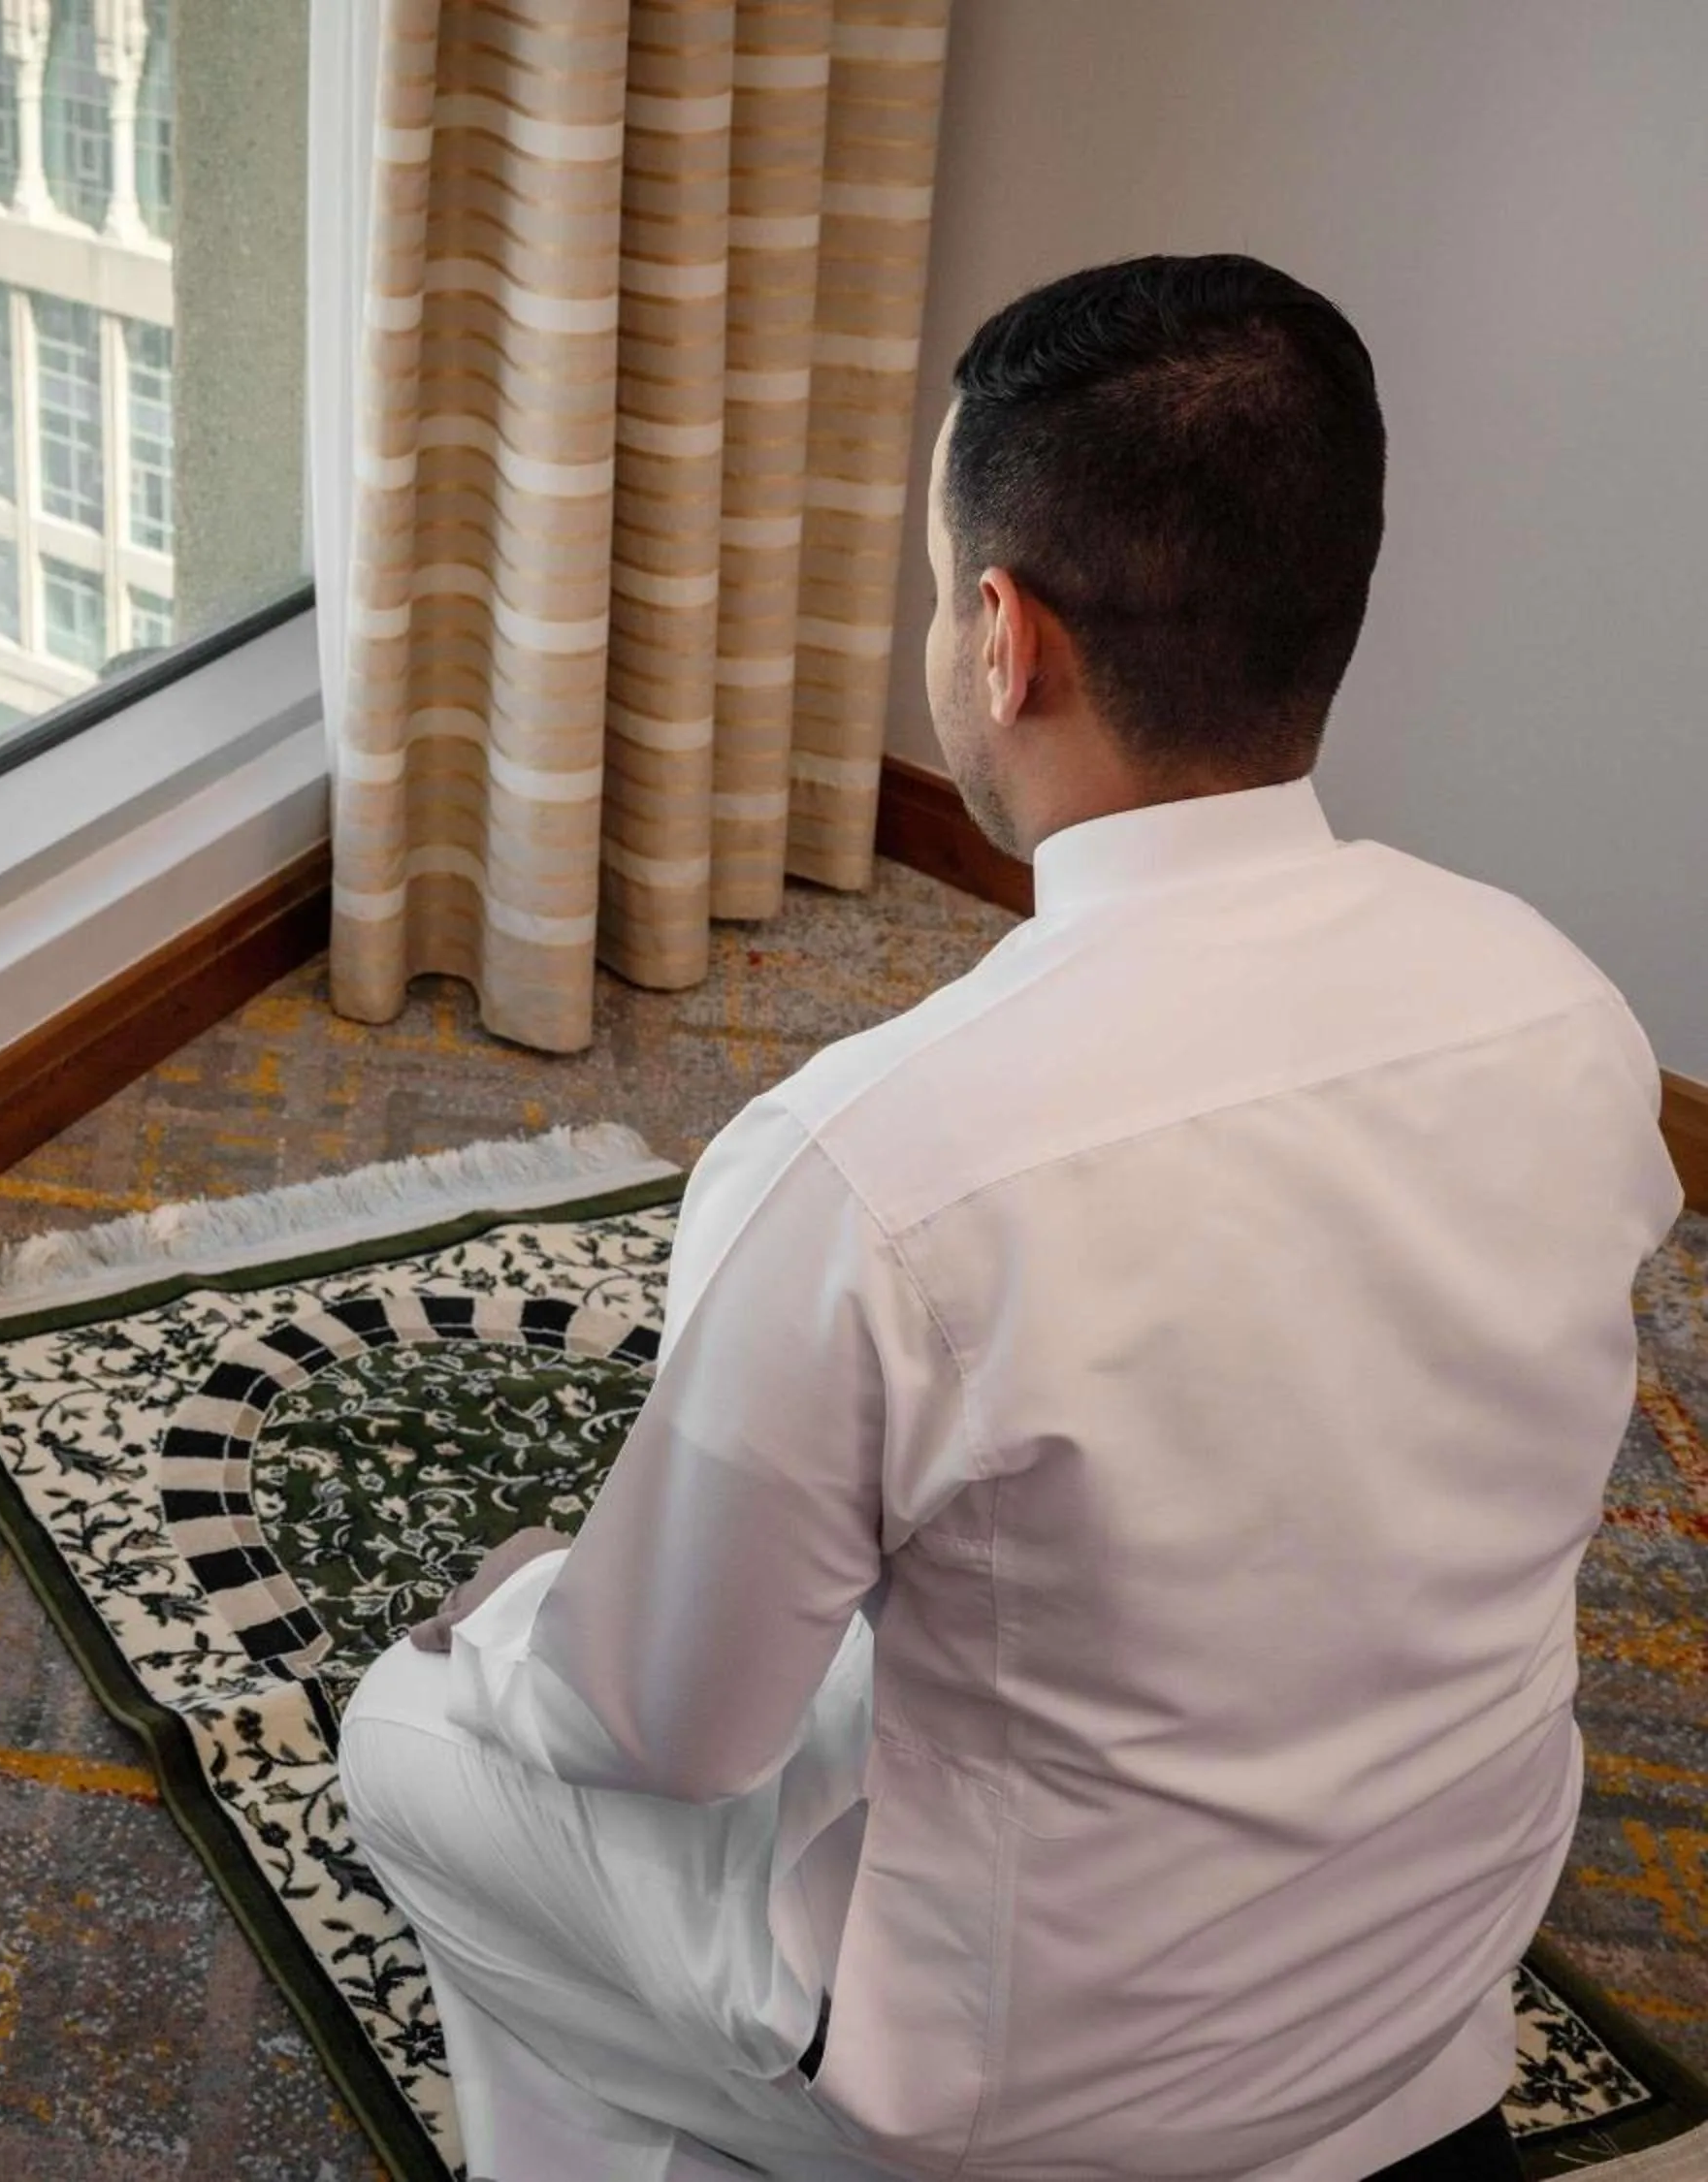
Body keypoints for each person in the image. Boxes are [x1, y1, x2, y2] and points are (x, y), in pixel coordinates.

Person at [336, 254, 1686, 2182]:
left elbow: (658, 1741)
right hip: (1420, 2013)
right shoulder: (1564, 1015)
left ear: (1002, 637)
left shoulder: (869, 1171)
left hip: (1025, 2109)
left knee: (421, 1734)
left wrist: (534, 1609)